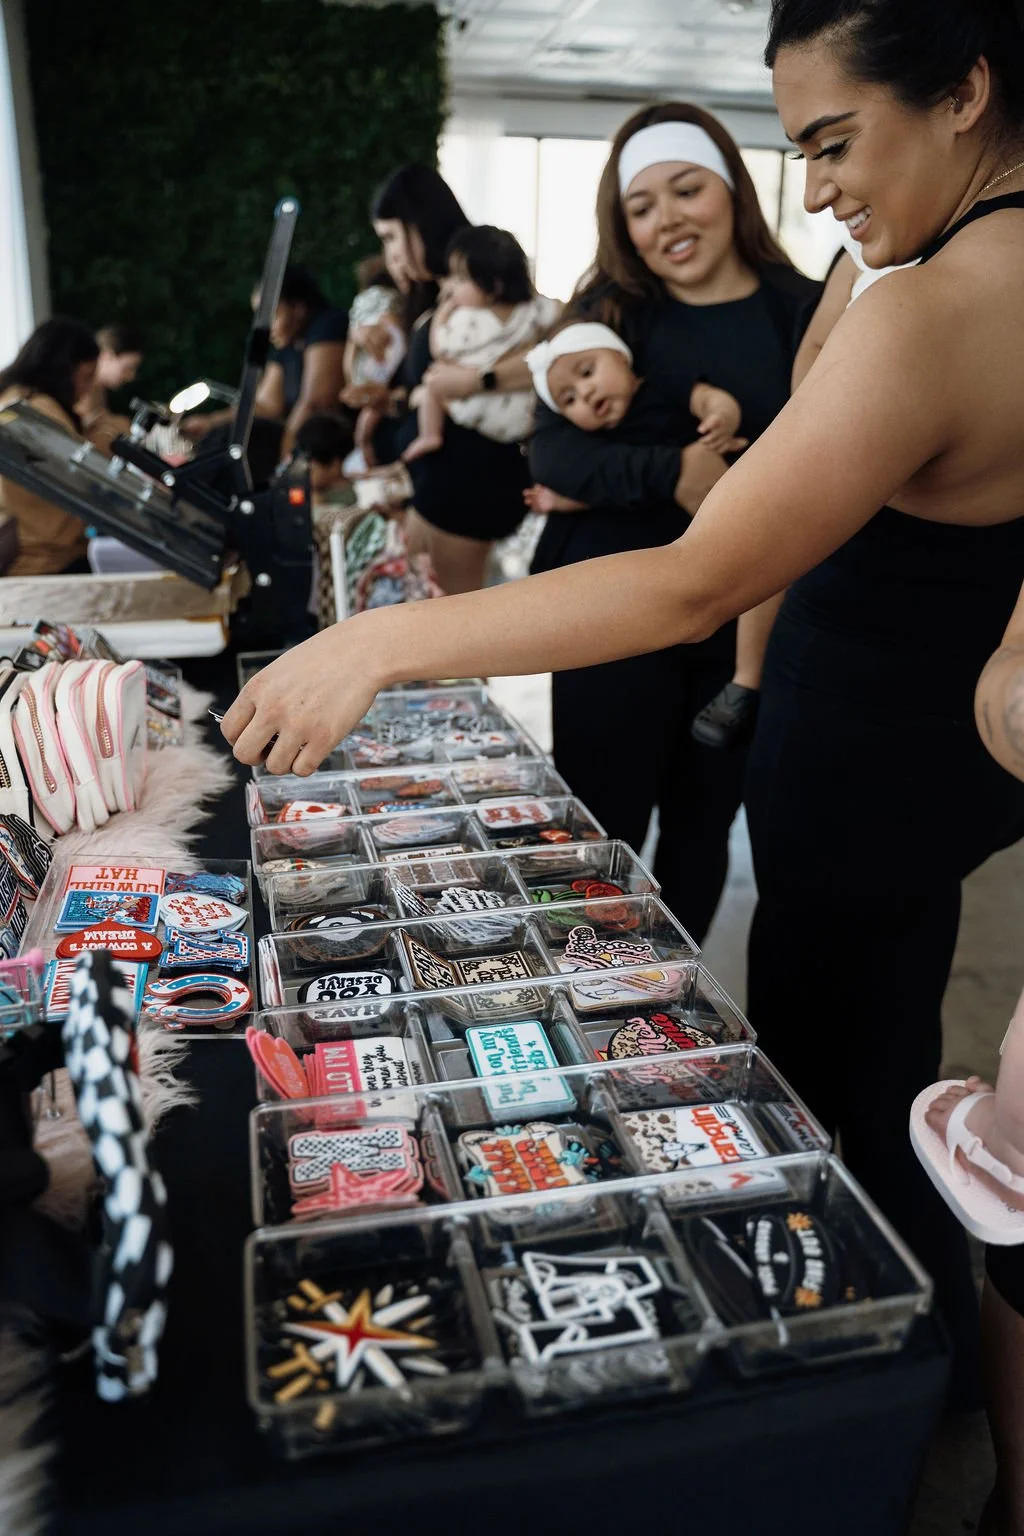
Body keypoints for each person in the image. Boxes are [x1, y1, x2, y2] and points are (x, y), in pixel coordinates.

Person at [224, 0, 1024, 1398]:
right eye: (800, 154)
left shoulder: (943, 302)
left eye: (836, 143)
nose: (823, 186)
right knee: (886, 1053)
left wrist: (377, 649)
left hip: (862, 763)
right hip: (906, 756)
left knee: (848, 1088)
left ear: (964, 90)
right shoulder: (929, 258)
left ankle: (877, 1389)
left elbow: (688, 584)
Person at [526, 101, 818, 935]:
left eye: (687, 191)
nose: (667, 222)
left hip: (738, 629)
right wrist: (676, 473)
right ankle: (581, 994)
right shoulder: (611, 310)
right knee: (594, 829)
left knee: (702, 826)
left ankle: (668, 1009)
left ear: (732, 188)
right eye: (641, 208)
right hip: (610, 617)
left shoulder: (798, 311)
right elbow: (555, 457)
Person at [370, 164, 537, 595]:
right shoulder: (437, 293)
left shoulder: (481, 282)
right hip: (438, 489)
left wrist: (475, 381)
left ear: (417, 225)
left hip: (466, 491)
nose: (392, 255)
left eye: (391, 238)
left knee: (449, 637)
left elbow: (543, 354)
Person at [404, 225, 560, 463]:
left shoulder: (468, 320)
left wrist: (442, 313)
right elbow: (557, 311)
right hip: (527, 415)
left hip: (479, 409)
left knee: (429, 388)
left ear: (493, 286)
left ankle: (429, 435)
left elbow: (440, 349)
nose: (452, 286)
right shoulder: (533, 310)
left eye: (460, 278)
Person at [184, 265, 348, 461]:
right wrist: (211, 423)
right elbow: (266, 406)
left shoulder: (328, 326)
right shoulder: (286, 346)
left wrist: (286, 460)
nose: (265, 327)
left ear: (298, 308)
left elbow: (317, 401)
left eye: (273, 315)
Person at [525, 320, 745, 453]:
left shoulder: (662, 383)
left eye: (587, 373)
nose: (585, 393)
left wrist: (722, 417)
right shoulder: (598, 443)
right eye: (569, 400)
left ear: (620, 356)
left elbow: (708, 398)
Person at [0, 318, 99, 577]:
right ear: (63, 369)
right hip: (46, 559)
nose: (86, 390)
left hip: (26, 556)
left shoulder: (12, 398)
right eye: (86, 377)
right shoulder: (39, 410)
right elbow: (85, 474)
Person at [76, 323, 144, 453]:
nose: (131, 376)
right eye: (128, 368)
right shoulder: (85, 390)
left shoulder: (97, 390)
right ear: (107, 356)